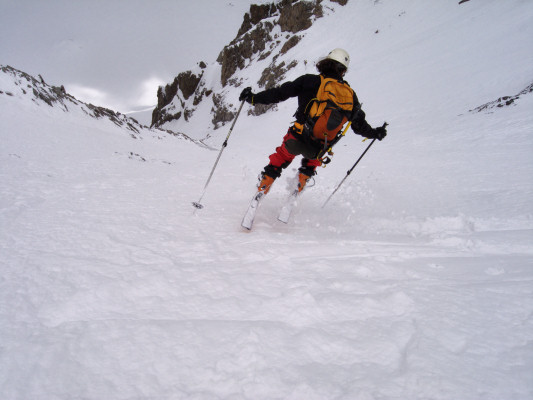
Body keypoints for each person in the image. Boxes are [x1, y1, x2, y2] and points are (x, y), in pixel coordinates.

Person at [239, 48, 387, 195]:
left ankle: (264, 185)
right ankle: (302, 181)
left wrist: (252, 98)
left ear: (325, 63)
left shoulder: (309, 81)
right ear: (343, 71)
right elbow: (359, 125)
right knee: (315, 157)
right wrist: (375, 133)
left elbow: (279, 93)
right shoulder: (350, 95)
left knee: (283, 155)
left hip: (297, 138)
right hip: (318, 148)